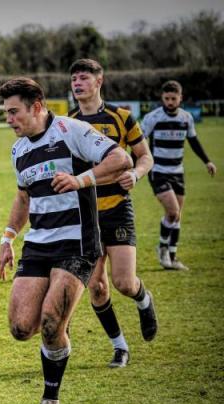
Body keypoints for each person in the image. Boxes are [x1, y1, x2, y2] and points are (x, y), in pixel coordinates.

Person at [0, 77, 132, 404]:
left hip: (78, 242)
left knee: (50, 321)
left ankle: (50, 400)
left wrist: (81, 179)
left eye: (14, 112)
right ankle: (60, 330)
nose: (9, 119)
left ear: (37, 106)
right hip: (39, 243)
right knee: (20, 328)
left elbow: (122, 159)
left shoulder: (71, 130)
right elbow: (23, 197)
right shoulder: (19, 150)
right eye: (6, 113)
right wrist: (8, 237)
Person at [68, 59, 158, 368]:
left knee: (123, 282)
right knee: (96, 286)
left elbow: (144, 156)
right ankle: (119, 347)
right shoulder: (69, 121)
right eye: (74, 80)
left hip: (118, 209)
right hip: (87, 214)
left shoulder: (121, 117)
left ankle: (144, 299)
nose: (77, 83)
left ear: (98, 81)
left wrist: (135, 175)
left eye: (83, 78)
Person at [141, 80, 217, 271]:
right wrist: (136, 167)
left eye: (173, 98)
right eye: (166, 98)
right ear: (162, 98)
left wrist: (207, 161)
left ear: (180, 98)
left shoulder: (186, 118)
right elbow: (139, 142)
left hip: (178, 172)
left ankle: (173, 258)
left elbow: (193, 141)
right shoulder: (152, 118)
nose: (170, 102)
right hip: (158, 171)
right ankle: (162, 248)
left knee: (176, 216)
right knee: (173, 212)